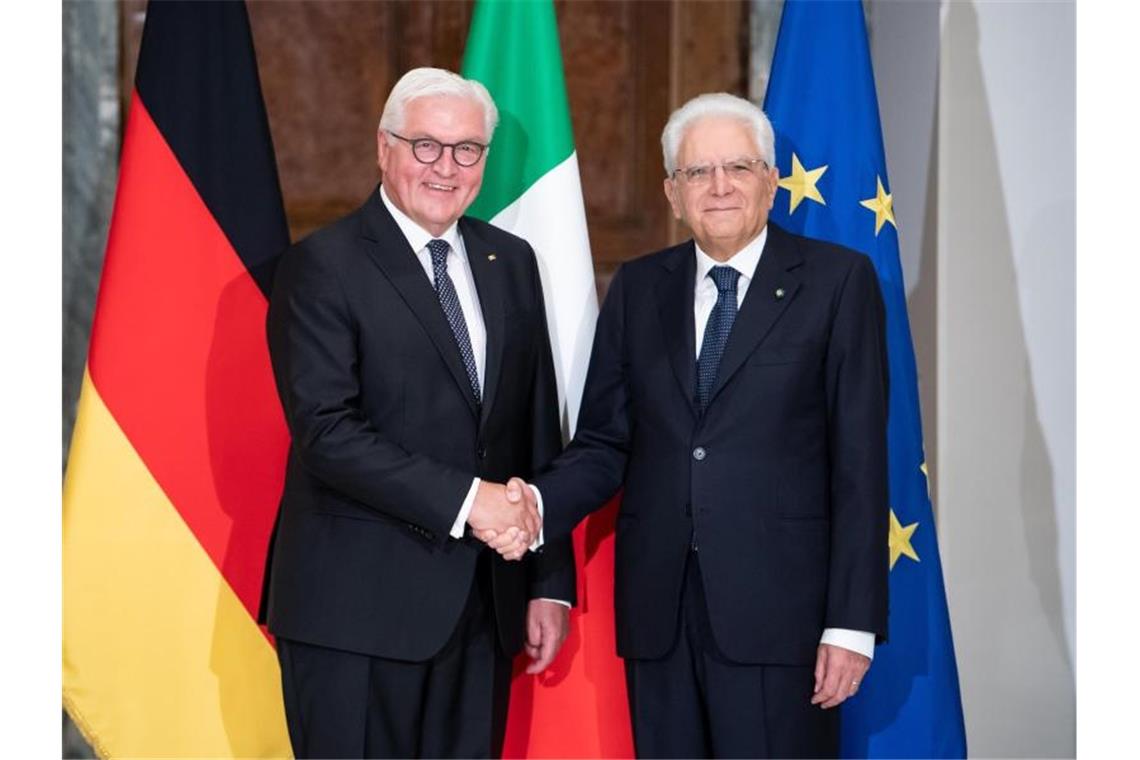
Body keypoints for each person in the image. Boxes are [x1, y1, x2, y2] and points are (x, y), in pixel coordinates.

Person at [487, 92, 889, 758]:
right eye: (698, 173)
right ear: (673, 193)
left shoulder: (837, 282)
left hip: (783, 620)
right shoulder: (641, 288)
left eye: (738, 167)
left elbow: (860, 463)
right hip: (660, 615)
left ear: (770, 179)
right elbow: (605, 442)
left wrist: (851, 624)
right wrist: (534, 502)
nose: (720, 186)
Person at [259, 67, 575, 759]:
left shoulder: (510, 261)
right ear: (384, 148)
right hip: (356, 616)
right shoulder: (322, 265)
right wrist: (471, 502)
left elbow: (533, 429)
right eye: (425, 146)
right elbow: (327, 432)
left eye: (466, 150)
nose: (446, 167)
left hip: (483, 609)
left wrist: (550, 583)